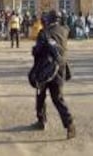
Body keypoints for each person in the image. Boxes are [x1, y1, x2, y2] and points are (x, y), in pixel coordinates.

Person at [32, 10, 75, 139]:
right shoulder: (64, 30)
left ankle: (41, 120)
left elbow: (38, 51)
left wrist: (34, 50)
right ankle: (70, 124)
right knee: (58, 98)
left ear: (48, 20)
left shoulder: (44, 33)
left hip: (45, 69)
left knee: (41, 95)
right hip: (60, 68)